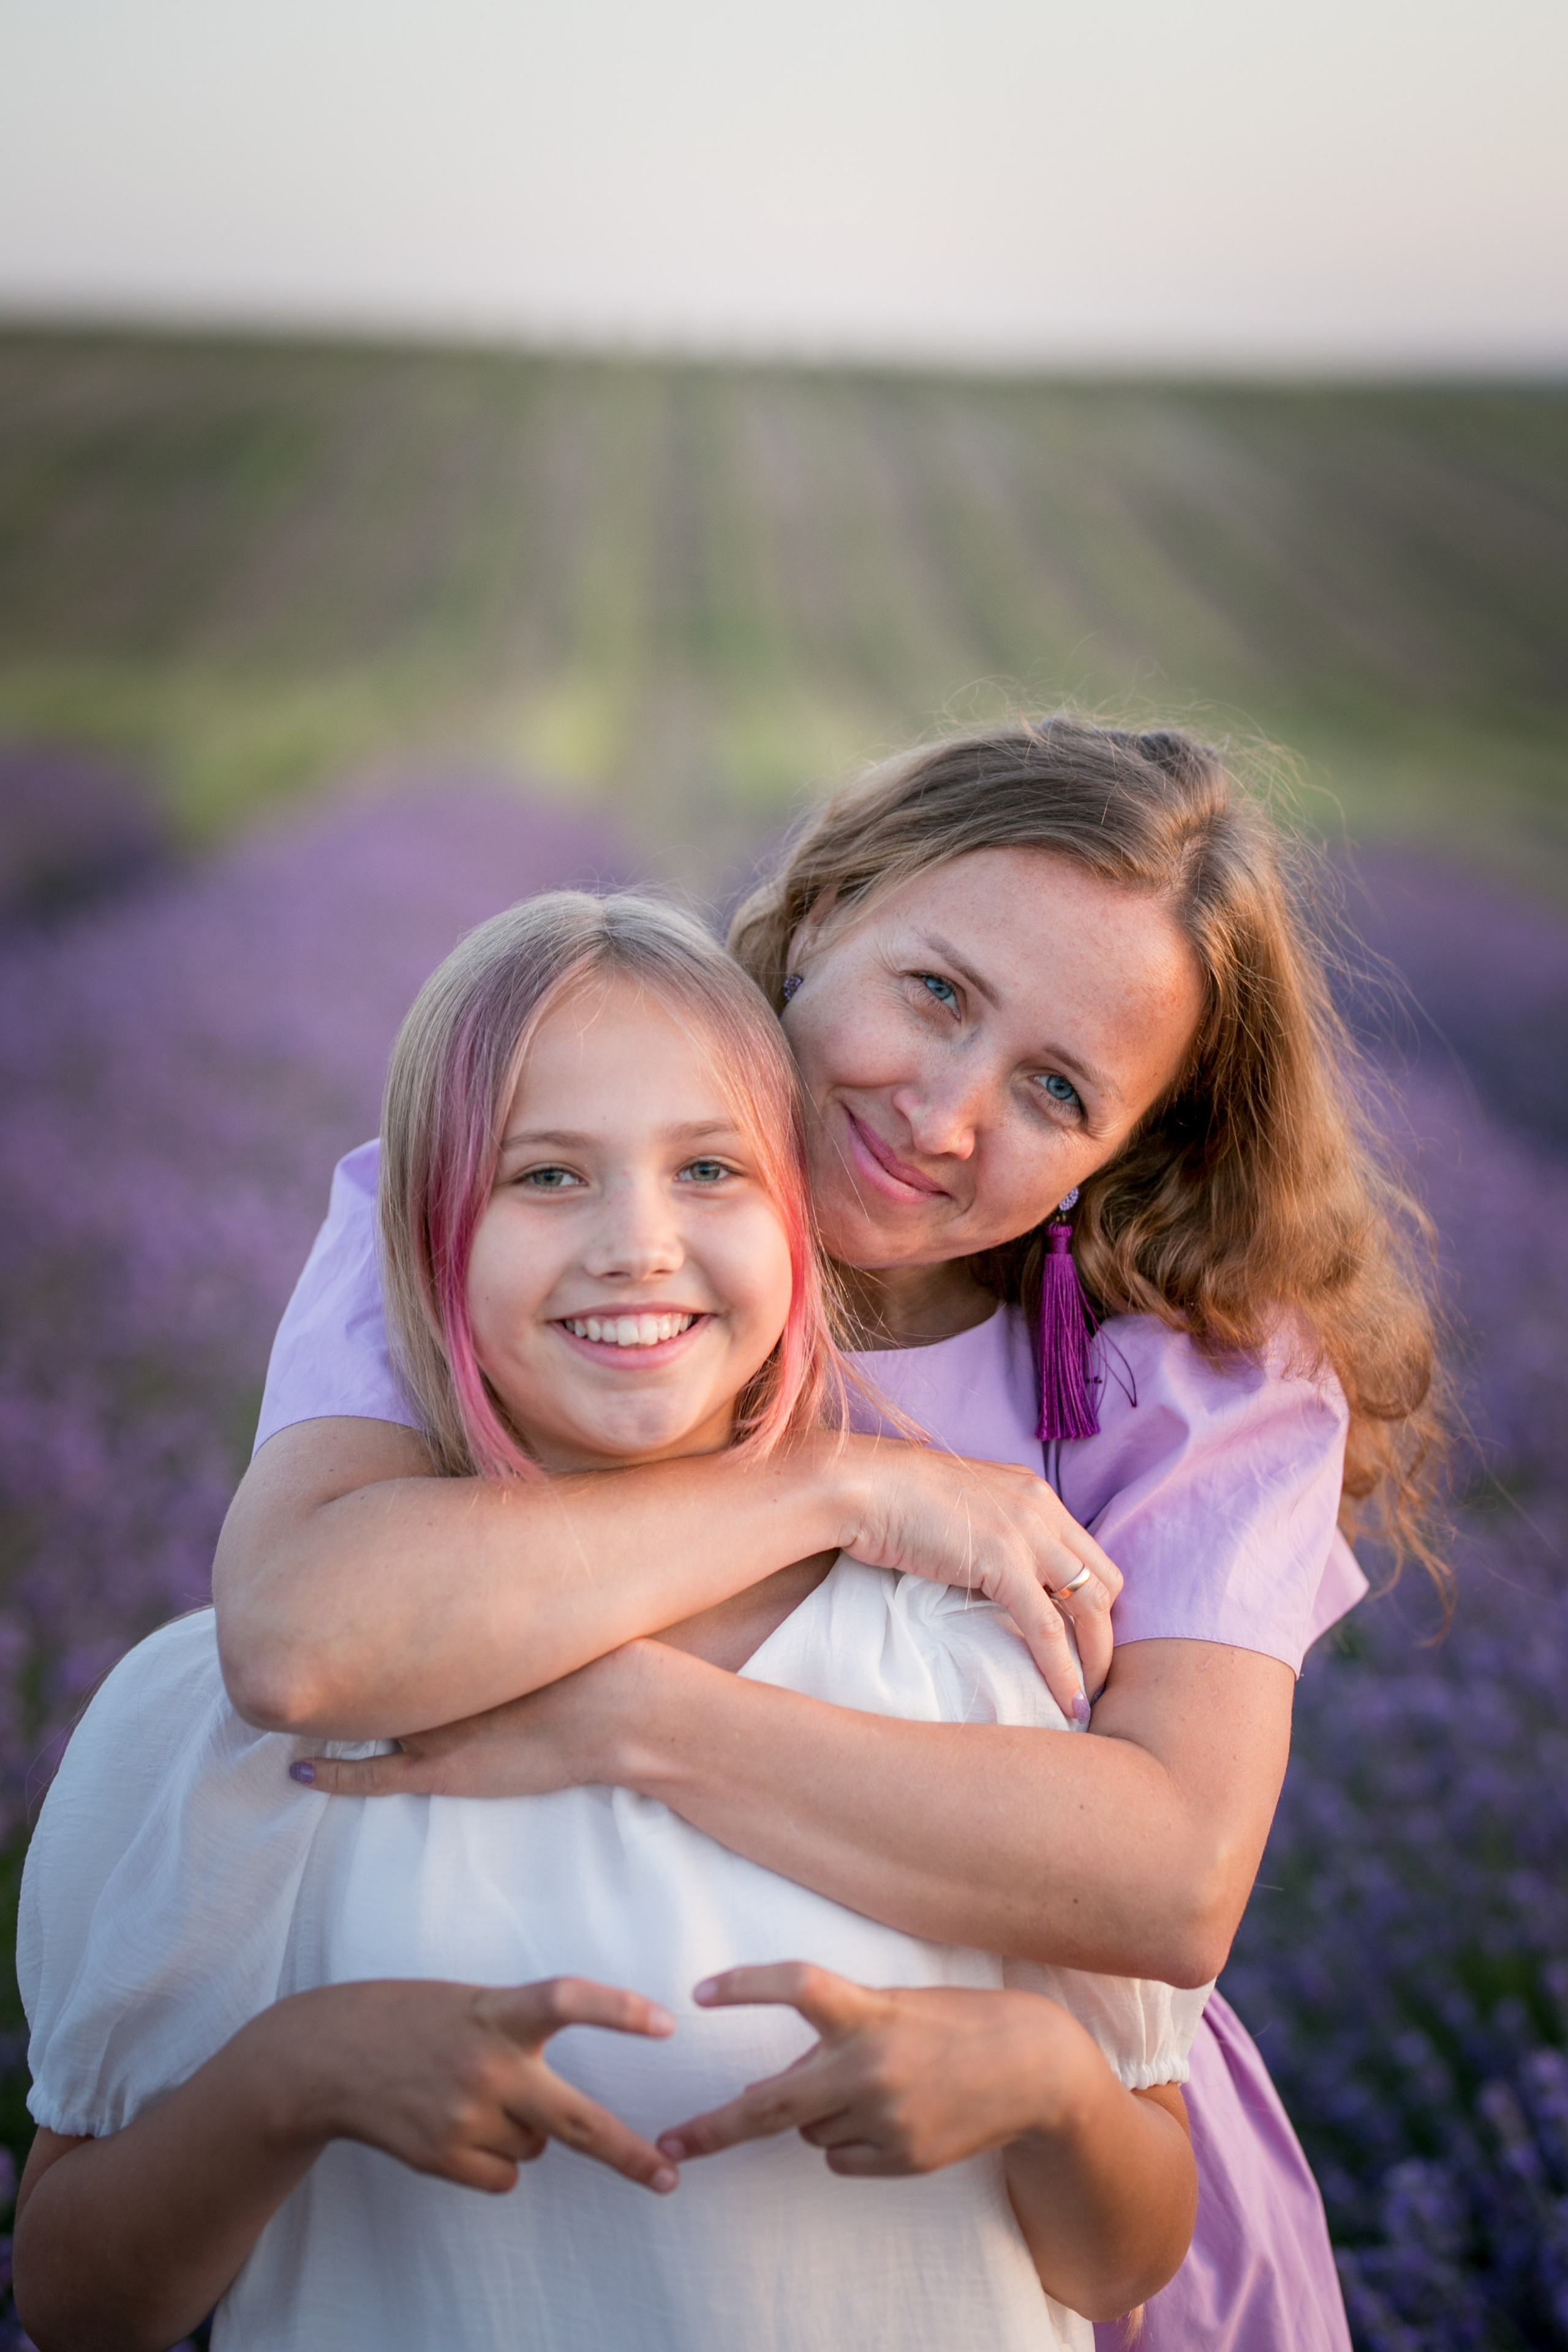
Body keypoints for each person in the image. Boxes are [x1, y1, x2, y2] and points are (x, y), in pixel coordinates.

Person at [211, 718, 1441, 2348]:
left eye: (1056, 1089)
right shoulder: (491, 1215)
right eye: (935, 992)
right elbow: (304, 1635)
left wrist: (631, 1714)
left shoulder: (1197, 1382)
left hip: (1041, 2180)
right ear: (822, 909)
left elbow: (1170, 1881)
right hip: (556, 2129)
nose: (944, 1114)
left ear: (1120, 1152)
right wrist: (834, 1486)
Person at [13, 892, 1200, 2352]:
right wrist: (292, 2080)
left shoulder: (954, 1664)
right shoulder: (216, 1721)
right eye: (546, 1177)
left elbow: (1124, 2261)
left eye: (708, 1168)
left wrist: (1049, 2088)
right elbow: (71, 2297)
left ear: (798, 1227)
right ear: (424, 1242)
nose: (636, 1244)